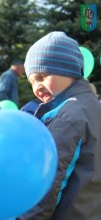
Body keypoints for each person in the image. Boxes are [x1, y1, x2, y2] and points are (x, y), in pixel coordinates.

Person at [20, 31, 101, 219]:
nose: (37, 86)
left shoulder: (68, 117)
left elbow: (48, 184)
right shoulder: (92, 106)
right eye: (32, 81)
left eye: (42, 76)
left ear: (68, 70)